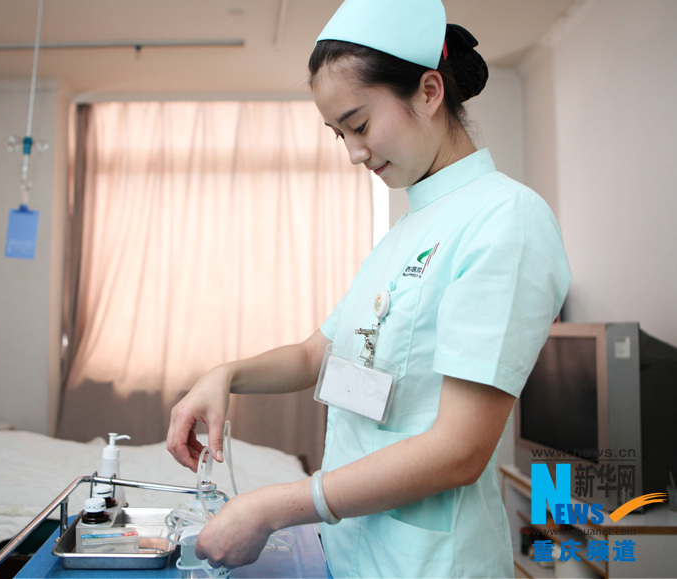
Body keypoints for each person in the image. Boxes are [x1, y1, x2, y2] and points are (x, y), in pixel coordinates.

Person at [166, 0, 571, 576]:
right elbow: (318, 354)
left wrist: (275, 507)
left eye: (358, 125)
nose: (354, 153)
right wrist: (225, 374)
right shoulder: (406, 230)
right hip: (352, 551)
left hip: (428, 564)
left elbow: (460, 449)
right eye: (339, 135)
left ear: (429, 92)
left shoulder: (506, 219)